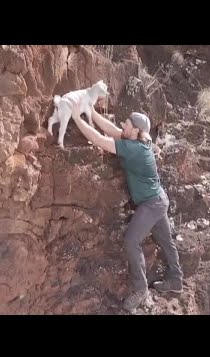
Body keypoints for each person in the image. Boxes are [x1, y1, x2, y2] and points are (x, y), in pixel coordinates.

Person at [69, 100, 184, 313]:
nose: (123, 124)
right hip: (159, 200)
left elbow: (99, 140)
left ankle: (140, 289)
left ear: (136, 130)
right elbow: (112, 130)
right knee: (166, 241)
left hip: (152, 204)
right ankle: (176, 280)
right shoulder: (141, 140)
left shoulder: (135, 149)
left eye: (127, 123)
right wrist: (91, 112)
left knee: (132, 240)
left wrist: (76, 117)